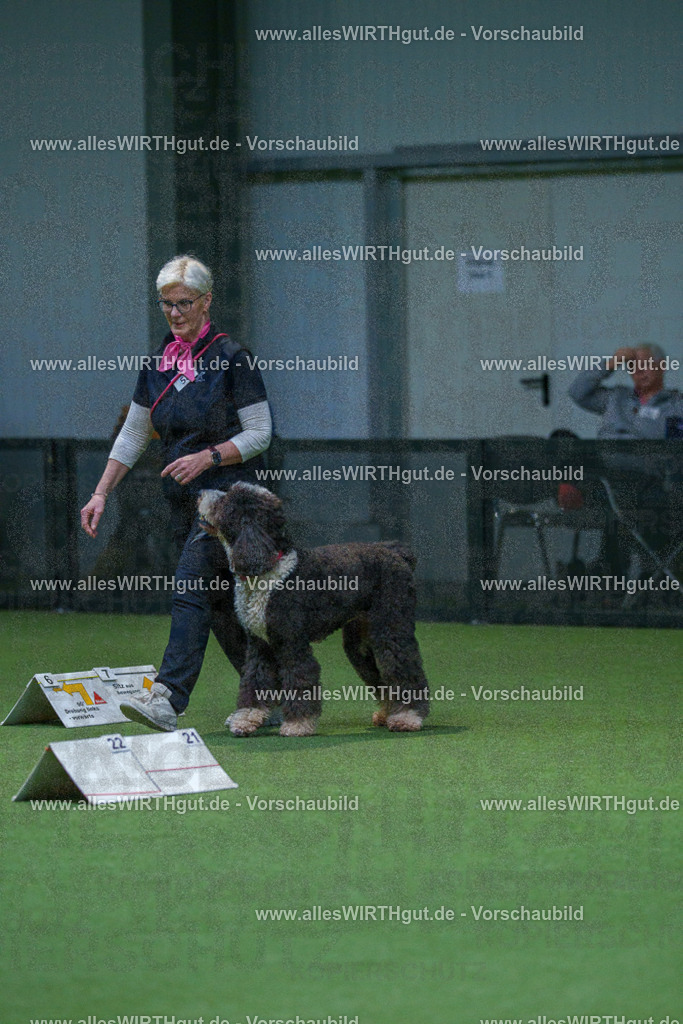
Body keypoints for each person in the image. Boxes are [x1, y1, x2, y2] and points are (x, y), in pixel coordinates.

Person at [80, 255, 272, 730]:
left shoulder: (233, 358)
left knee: (189, 587)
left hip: (230, 501)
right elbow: (133, 434)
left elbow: (261, 432)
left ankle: (167, 699)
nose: (175, 312)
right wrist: (101, 492)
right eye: (166, 304)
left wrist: (210, 456)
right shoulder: (158, 364)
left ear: (207, 301)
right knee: (221, 603)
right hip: (183, 504)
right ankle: (273, 694)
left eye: (184, 302)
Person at [568, 344, 683, 576]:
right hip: (605, 473)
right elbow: (577, 392)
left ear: (662, 366)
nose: (639, 370)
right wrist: (610, 364)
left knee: (621, 505)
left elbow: (675, 452)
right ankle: (565, 490)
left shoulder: (675, 406)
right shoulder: (615, 397)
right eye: (633, 365)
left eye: (646, 364)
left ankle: (611, 574)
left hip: (645, 479)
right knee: (563, 439)